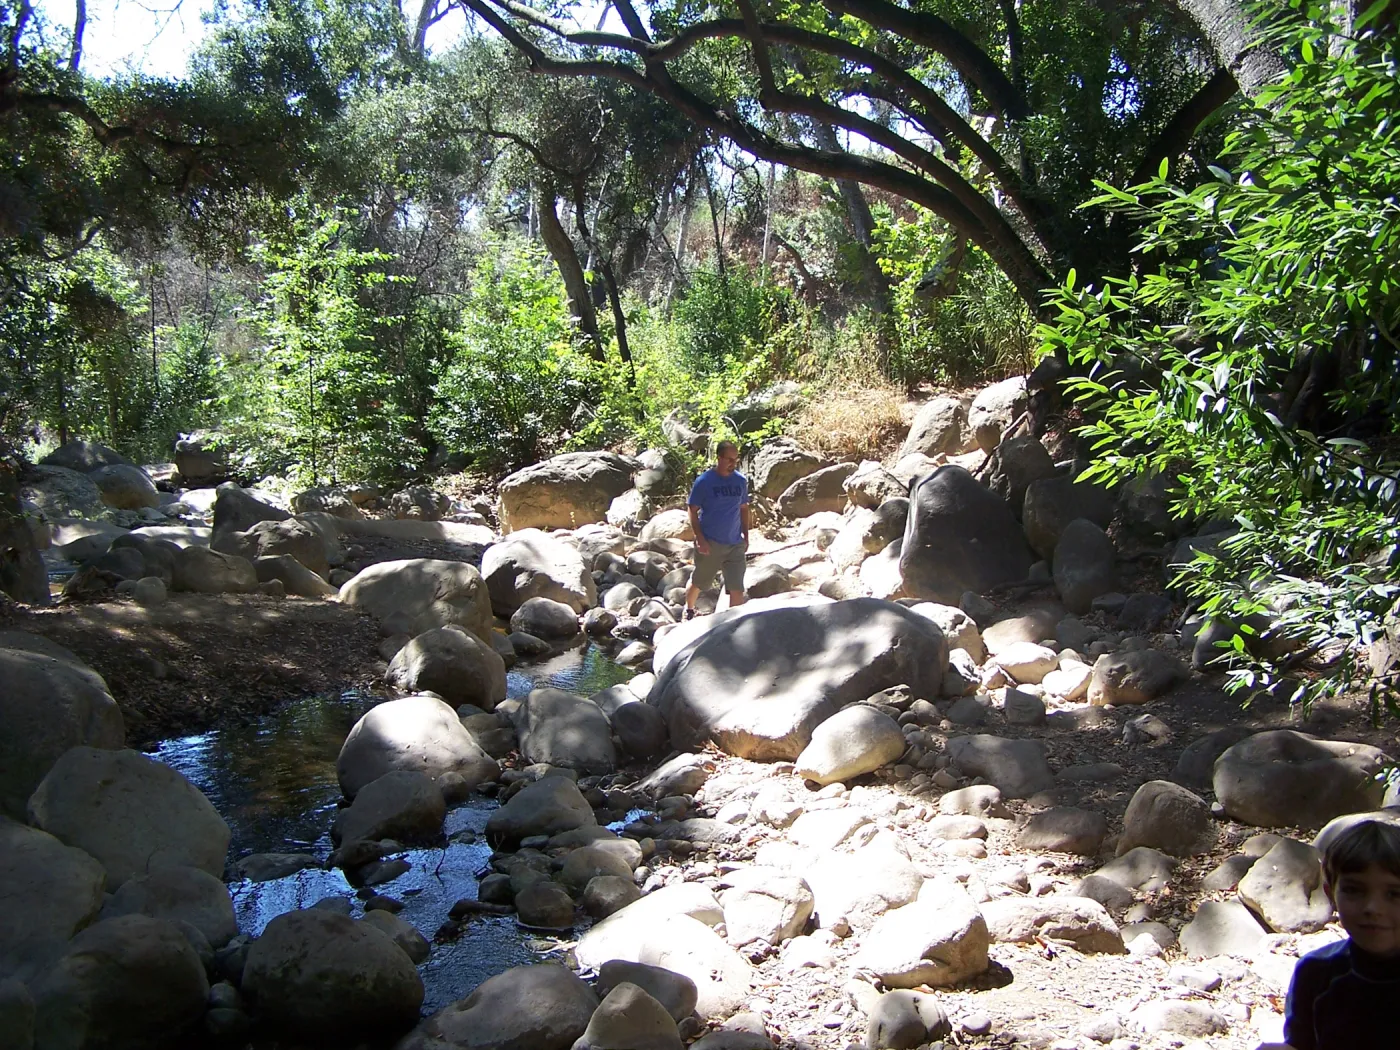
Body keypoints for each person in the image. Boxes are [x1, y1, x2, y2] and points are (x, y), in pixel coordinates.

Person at [1276, 818, 1400, 1049]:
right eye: (1354, 890)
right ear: (1330, 893)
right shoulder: (1317, 973)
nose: (1372, 908)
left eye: (1394, 894)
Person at [684, 440, 751, 620]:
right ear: (719, 458)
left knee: (737, 587)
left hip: (735, 543)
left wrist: (746, 535)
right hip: (710, 543)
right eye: (729, 459)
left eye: (735, 460)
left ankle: (733, 624)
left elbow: (744, 508)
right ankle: (688, 609)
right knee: (699, 581)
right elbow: (692, 509)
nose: (732, 463)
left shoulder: (740, 481)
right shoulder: (704, 482)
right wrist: (700, 538)